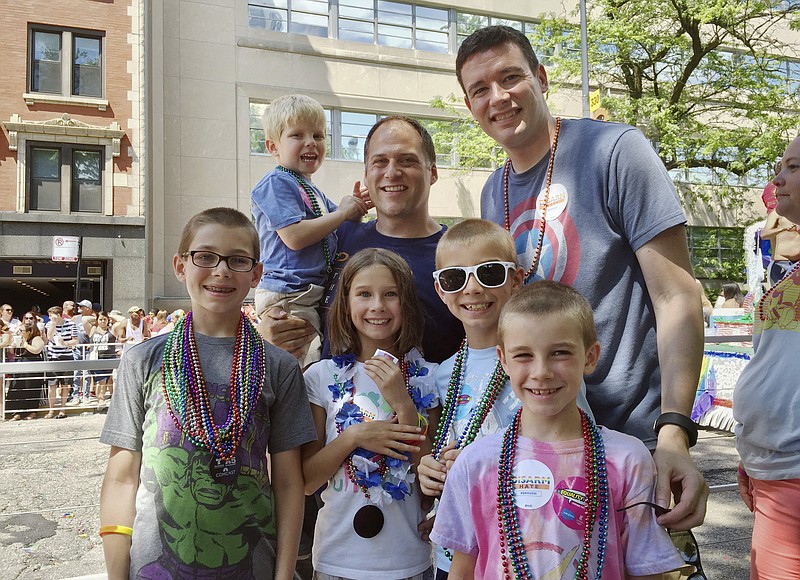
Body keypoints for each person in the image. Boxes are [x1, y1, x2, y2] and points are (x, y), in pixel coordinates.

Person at [455, 25, 706, 529]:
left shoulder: (615, 152)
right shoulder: (491, 191)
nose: (497, 98)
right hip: (540, 451)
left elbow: (677, 294)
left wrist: (674, 433)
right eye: (479, 89)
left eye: (510, 78)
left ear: (541, 79)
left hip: (631, 445)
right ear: (469, 105)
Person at [98, 207, 316, 579]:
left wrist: (283, 574)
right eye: (205, 256)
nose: (221, 270)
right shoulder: (143, 360)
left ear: (256, 274)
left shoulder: (278, 366)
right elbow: (121, 477)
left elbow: (288, 482)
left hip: (253, 564)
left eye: (237, 260)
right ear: (181, 266)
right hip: (157, 567)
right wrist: (117, 574)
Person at [431, 281, 684, 579]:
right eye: (524, 355)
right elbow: (462, 570)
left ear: (590, 357)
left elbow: (646, 568)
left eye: (560, 353)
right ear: (503, 360)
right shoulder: (476, 463)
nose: (541, 372)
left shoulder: (627, 459)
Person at [260, 115, 463, 366]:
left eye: (406, 160)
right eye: (380, 162)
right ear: (366, 175)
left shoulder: (456, 255)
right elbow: (286, 282)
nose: (392, 172)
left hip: (419, 402)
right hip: (319, 401)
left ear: (432, 172)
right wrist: (270, 331)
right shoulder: (336, 237)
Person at [301, 248, 438, 579]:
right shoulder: (319, 376)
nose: (377, 305)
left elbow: (431, 475)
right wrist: (354, 437)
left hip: (407, 560)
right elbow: (307, 480)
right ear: (347, 304)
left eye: (390, 294)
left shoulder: (430, 376)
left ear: (406, 303)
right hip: (338, 558)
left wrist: (404, 404)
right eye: (364, 294)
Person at [251, 94, 367, 366]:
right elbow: (294, 236)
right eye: (297, 135)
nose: (311, 142)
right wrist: (341, 213)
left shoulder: (310, 189)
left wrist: (355, 212)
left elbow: (337, 230)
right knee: (303, 365)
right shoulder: (276, 183)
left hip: (308, 291)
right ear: (273, 146)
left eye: (319, 135)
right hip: (289, 293)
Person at [734, 134, 800, 578]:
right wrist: (751, 451)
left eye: (793, 167)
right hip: (769, 468)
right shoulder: (786, 280)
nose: (778, 178)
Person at [6, 315, 46, 421]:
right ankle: (17, 412)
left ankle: (32, 411)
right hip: (20, 364)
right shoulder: (20, 338)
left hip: (33, 365)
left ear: (29, 332)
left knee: (31, 388)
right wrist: (13, 346)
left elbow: (37, 349)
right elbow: (12, 352)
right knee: (18, 387)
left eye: (22, 330)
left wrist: (25, 345)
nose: (20, 331)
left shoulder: (36, 338)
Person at [44, 305, 79, 419]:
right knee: (52, 385)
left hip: (66, 356)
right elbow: (48, 337)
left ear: (58, 315)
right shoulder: (49, 324)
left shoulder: (70, 324)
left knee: (65, 385)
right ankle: (51, 410)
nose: (49, 317)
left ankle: (62, 409)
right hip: (53, 356)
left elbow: (75, 340)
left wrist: (66, 343)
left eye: (51, 315)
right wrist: (53, 324)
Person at [761, 208, 800, 286]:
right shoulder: (777, 213)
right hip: (782, 263)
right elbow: (764, 235)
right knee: (779, 295)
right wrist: (782, 229)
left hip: (798, 264)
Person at [89, 311, 118, 408]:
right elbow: (85, 320)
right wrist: (95, 317)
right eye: (100, 319)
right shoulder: (93, 329)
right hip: (96, 357)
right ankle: (100, 399)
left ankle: (107, 397)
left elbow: (121, 321)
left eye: (104, 319)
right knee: (100, 380)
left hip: (109, 357)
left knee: (107, 379)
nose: (102, 322)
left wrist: (110, 316)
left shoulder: (112, 330)